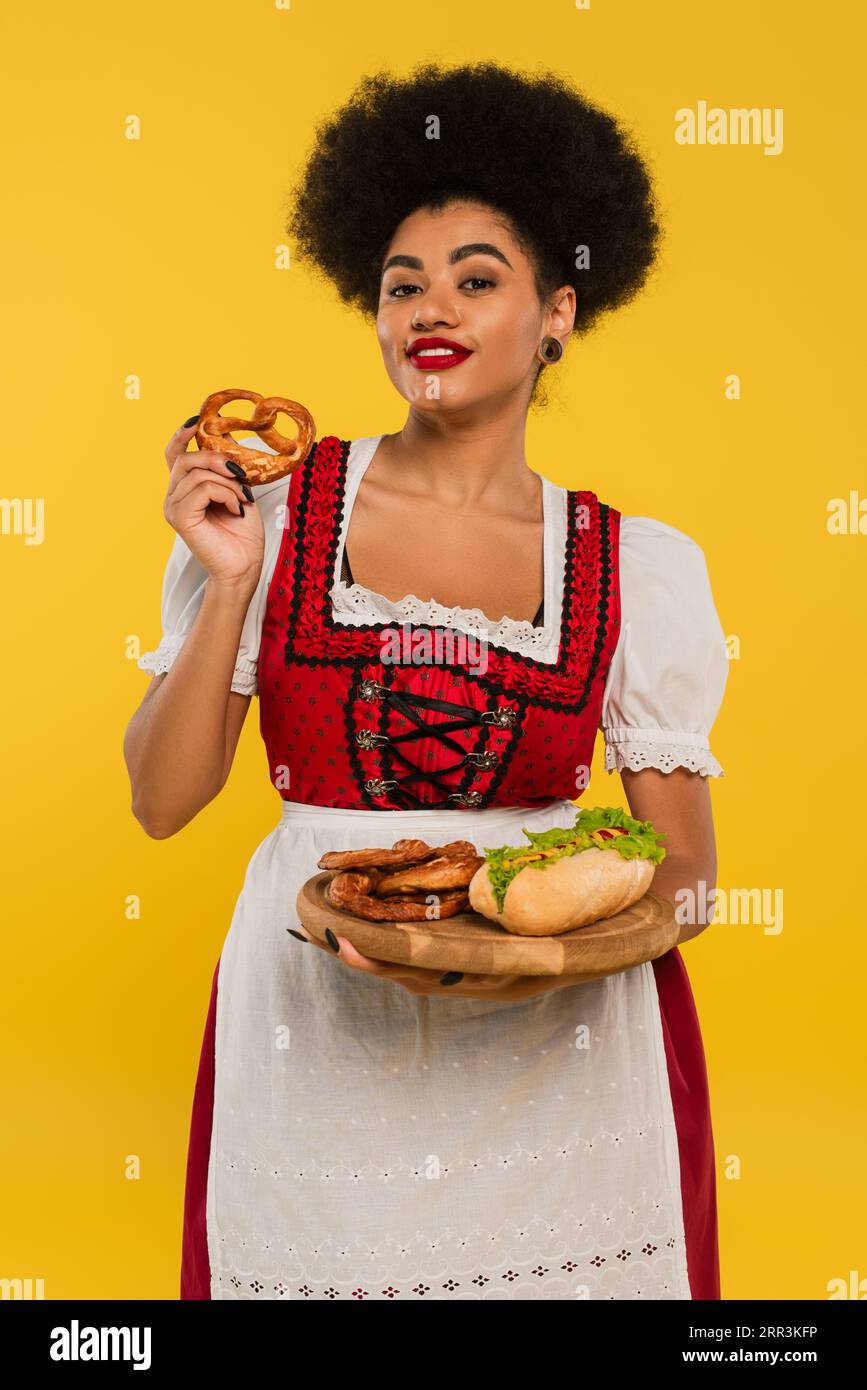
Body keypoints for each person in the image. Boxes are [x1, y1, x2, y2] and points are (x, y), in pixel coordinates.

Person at [124, 61, 728, 1301]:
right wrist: (230, 578)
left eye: (476, 279)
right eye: (403, 284)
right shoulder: (273, 517)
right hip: (311, 1027)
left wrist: (519, 952)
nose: (428, 309)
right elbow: (161, 800)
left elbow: (690, 882)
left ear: (558, 312)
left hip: (555, 1064)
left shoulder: (638, 567)